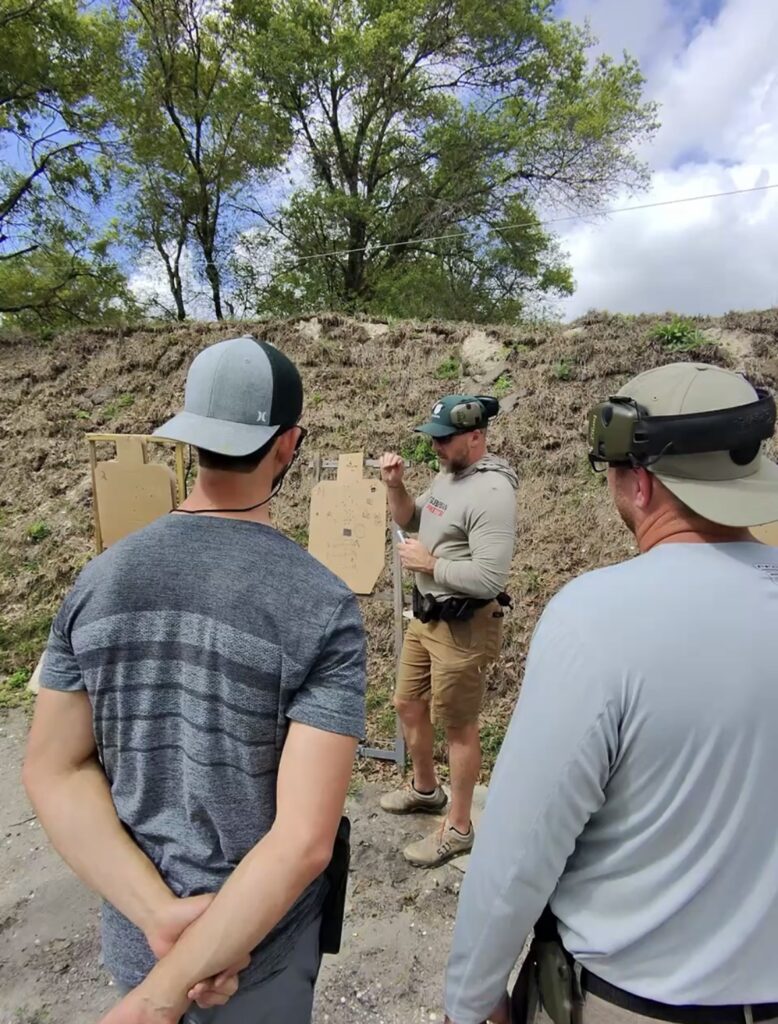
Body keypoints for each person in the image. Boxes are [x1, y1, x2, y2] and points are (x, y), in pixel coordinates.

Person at [22, 335, 367, 1024]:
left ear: (190, 438)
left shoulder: (101, 579)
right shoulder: (322, 606)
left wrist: (161, 922)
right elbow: (302, 841)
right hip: (254, 958)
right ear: (288, 445)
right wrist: (166, 994)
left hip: (141, 930)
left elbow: (51, 770)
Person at [444, 362, 778, 1024]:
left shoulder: (597, 618)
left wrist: (470, 998)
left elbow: (521, 847)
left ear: (641, 483)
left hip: (632, 1000)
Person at [378, 394, 518, 867]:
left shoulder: (492, 493)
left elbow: (490, 578)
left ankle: (459, 828)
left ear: (476, 437)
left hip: (463, 626)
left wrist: (431, 564)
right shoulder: (448, 475)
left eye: (445, 438)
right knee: (407, 703)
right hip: (427, 617)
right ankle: (425, 789)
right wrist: (396, 488)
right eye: (433, 437)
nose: (435, 445)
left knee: (458, 727)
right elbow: (411, 519)